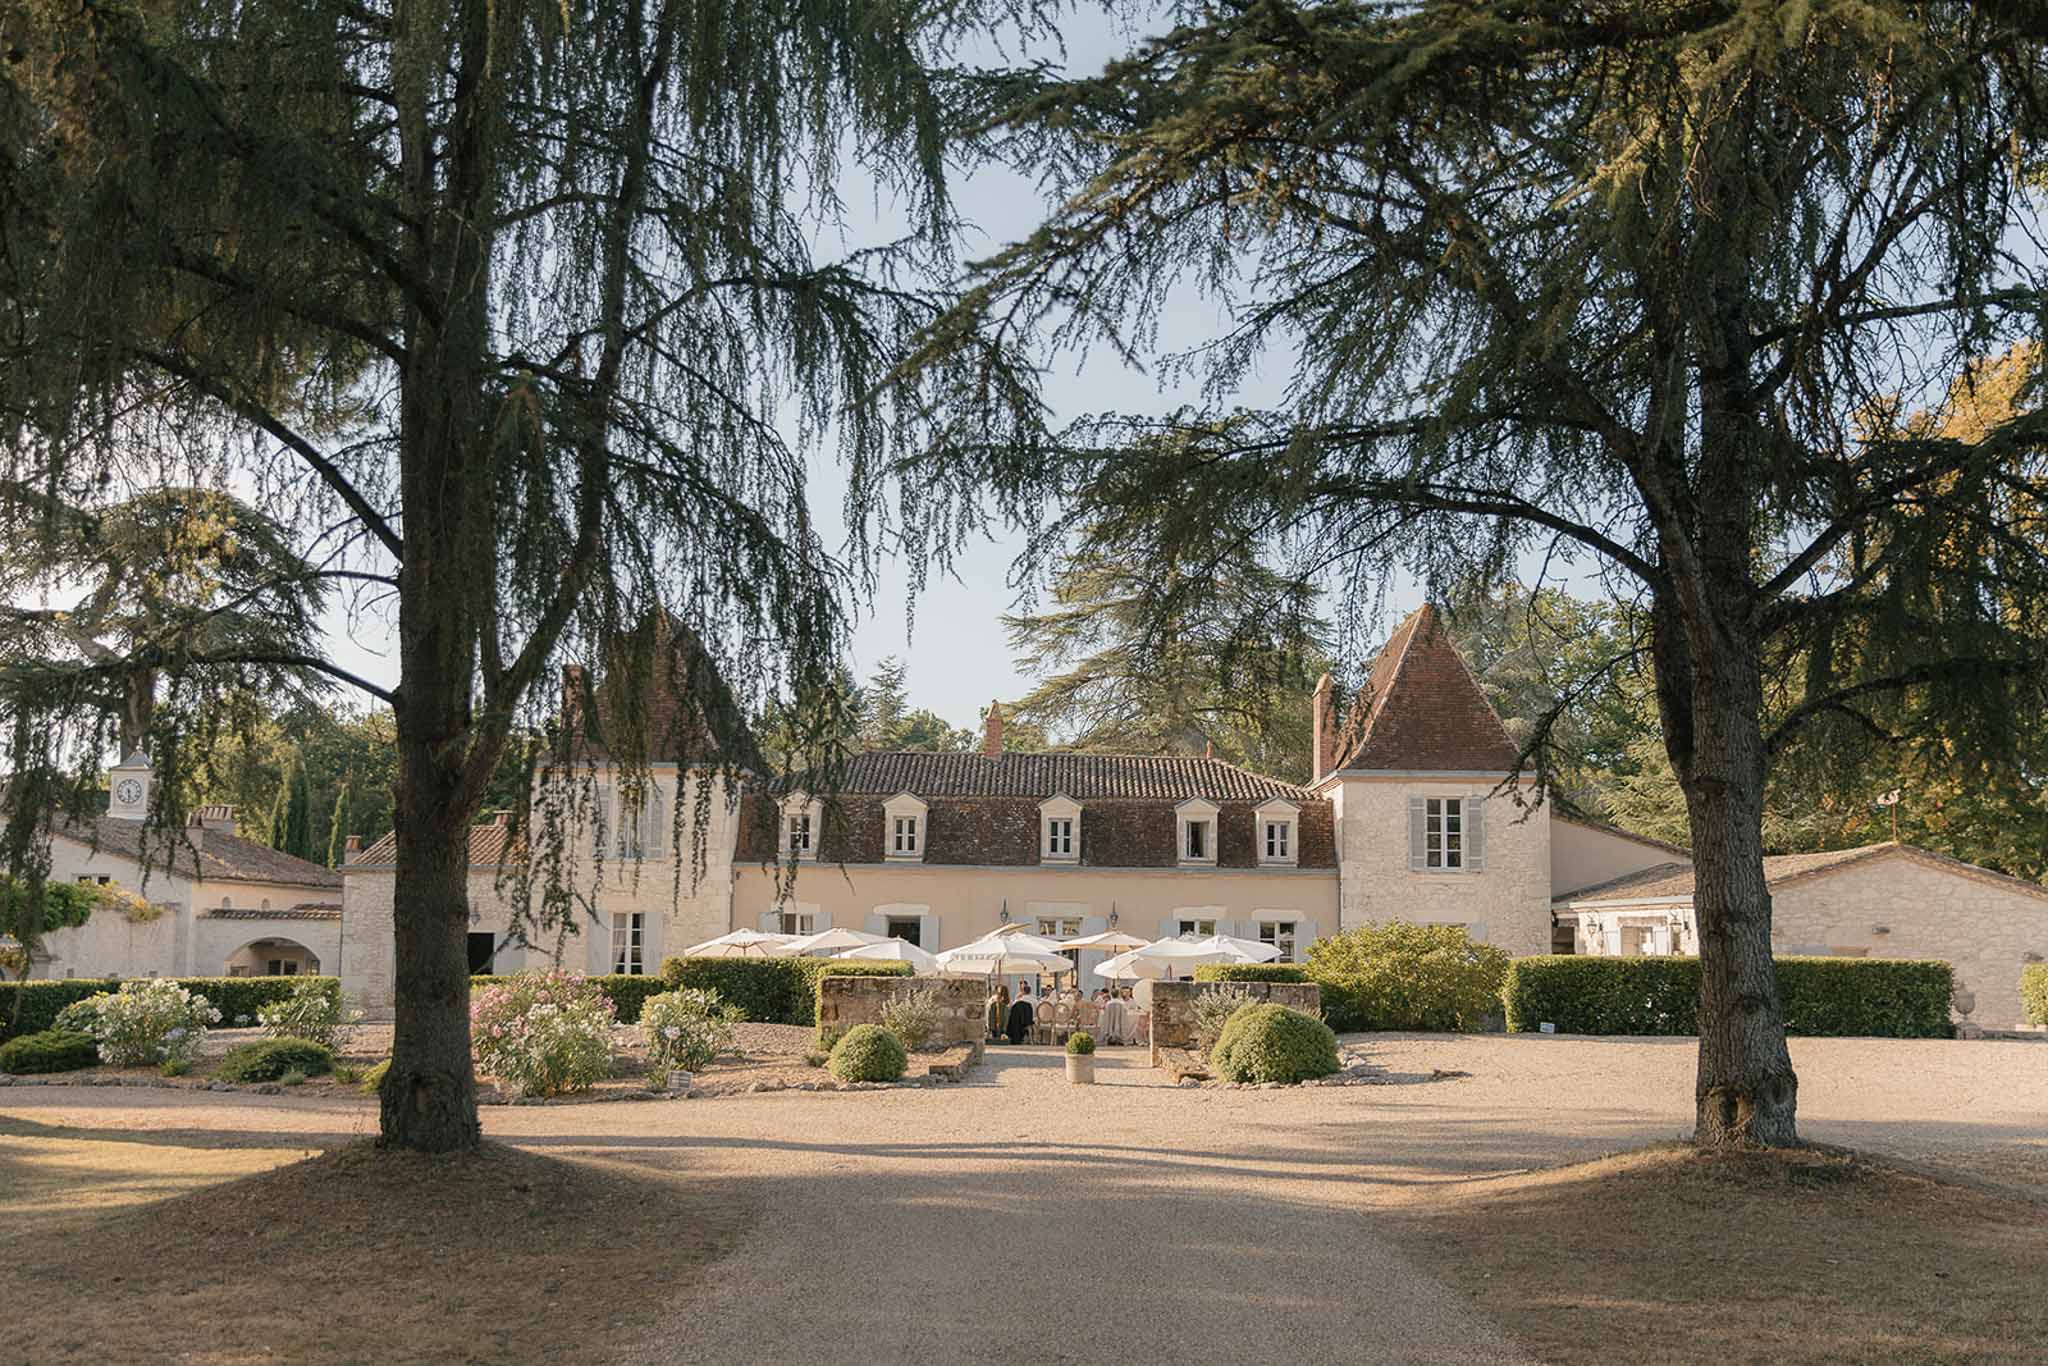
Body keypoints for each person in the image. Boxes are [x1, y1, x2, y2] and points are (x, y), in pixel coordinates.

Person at [1006, 980, 1035, 1045]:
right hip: (1030, 1020)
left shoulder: (1018, 1000)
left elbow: (1012, 1008)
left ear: (1023, 991)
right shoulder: (1034, 1000)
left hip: (1019, 1021)